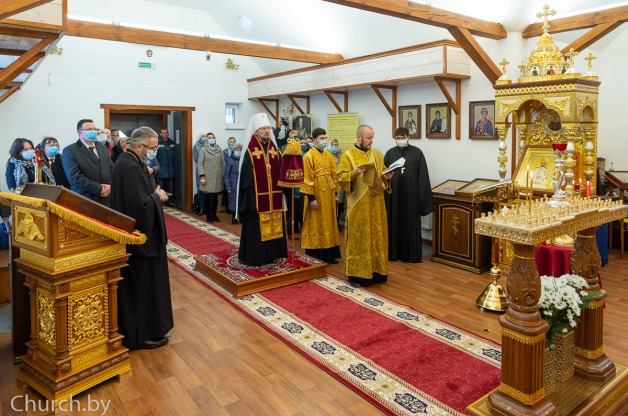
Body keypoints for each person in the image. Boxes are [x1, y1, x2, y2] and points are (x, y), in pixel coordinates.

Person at [111, 126, 173, 350]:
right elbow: (140, 206)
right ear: (139, 146)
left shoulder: (131, 162)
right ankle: (141, 334)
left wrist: (152, 192)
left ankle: (152, 328)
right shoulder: (128, 166)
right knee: (142, 287)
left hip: (143, 237)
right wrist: (157, 196)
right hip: (140, 239)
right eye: (152, 147)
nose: (154, 151)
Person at [336, 125, 394, 287]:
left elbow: (382, 174)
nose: (371, 141)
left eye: (372, 137)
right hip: (358, 206)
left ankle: (377, 272)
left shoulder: (377, 154)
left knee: (377, 237)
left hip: (377, 205)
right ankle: (356, 275)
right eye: (368, 138)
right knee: (359, 239)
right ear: (359, 138)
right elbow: (340, 178)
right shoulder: (348, 156)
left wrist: (387, 176)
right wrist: (353, 174)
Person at [236, 113, 287, 266]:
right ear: (256, 131)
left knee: (275, 225)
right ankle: (256, 257)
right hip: (256, 200)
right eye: (263, 129)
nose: (266, 131)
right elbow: (246, 179)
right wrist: (251, 201)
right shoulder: (250, 152)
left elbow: (283, 173)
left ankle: (273, 255)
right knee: (256, 230)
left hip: (275, 198)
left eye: (268, 128)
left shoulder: (275, 151)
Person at [384, 127, 434, 263]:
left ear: (408, 137)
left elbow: (422, 176)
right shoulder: (390, 153)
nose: (400, 140)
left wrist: (421, 199)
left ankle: (411, 255)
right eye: (397, 138)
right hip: (394, 196)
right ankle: (393, 253)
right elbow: (384, 175)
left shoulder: (417, 153)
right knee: (393, 222)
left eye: (402, 138)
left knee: (410, 223)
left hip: (411, 196)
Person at [300, 128, 341, 263]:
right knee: (316, 224)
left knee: (329, 223)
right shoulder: (308, 156)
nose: (324, 140)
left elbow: (334, 174)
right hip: (316, 194)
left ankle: (329, 255)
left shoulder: (328, 155)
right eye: (321, 138)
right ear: (314, 140)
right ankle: (316, 255)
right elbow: (306, 178)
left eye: (325, 138)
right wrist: (311, 199)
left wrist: (335, 193)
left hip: (328, 194)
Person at [62, 119, 113, 206]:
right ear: (79, 132)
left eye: (95, 129)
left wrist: (110, 186)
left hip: (107, 199)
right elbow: (74, 177)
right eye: (89, 129)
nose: (93, 131)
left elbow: (112, 168)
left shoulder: (103, 147)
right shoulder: (70, 150)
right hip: (85, 199)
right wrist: (99, 189)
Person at [197, 134, 225, 222]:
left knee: (216, 198)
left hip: (218, 177)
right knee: (208, 198)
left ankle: (214, 215)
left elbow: (223, 163)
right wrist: (202, 176)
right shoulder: (204, 149)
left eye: (213, 138)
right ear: (207, 139)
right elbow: (200, 164)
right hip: (207, 177)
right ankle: (208, 216)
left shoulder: (219, 149)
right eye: (209, 138)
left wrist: (223, 175)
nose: (211, 139)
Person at [156, 128, 176, 205]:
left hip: (170, 170)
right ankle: (160, 202)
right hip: (160, 170)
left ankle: (169, 202)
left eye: (166, 133)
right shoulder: (157, 142)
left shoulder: (172, 142)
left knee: (170, 188)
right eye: (163, 133)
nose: (165, 134)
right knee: (160, 187)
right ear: (160, 134)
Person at [328, 138, 345, 230]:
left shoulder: (342, 156)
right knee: (330, 206)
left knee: (339, 205)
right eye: (332, 144)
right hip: (329, 183)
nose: (334, 146)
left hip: (340, 184)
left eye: (336, 145)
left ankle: (337, 224)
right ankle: (331, 225)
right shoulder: (326, 155)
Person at [224, 143, 243, 224]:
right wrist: (228, 186)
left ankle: (241, 217)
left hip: (242, 184)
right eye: (237, 150)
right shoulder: (229, 160)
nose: (238, 152)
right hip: (233, 185)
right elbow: (226, 175)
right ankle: (234, 217)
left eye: (240, 150)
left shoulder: (243, 159)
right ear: (233, 151)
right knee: (233, 201)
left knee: (242, 200)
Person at [192, 132, 208, 215]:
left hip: (209, 170)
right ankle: (201, 208)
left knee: (208, 189)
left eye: (205, 136)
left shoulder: (209, 146)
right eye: (203, 136)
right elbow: (196, 159)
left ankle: (207, 208)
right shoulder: (196, 146)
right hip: (200, 170)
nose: (204, 137)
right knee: (200, 189)